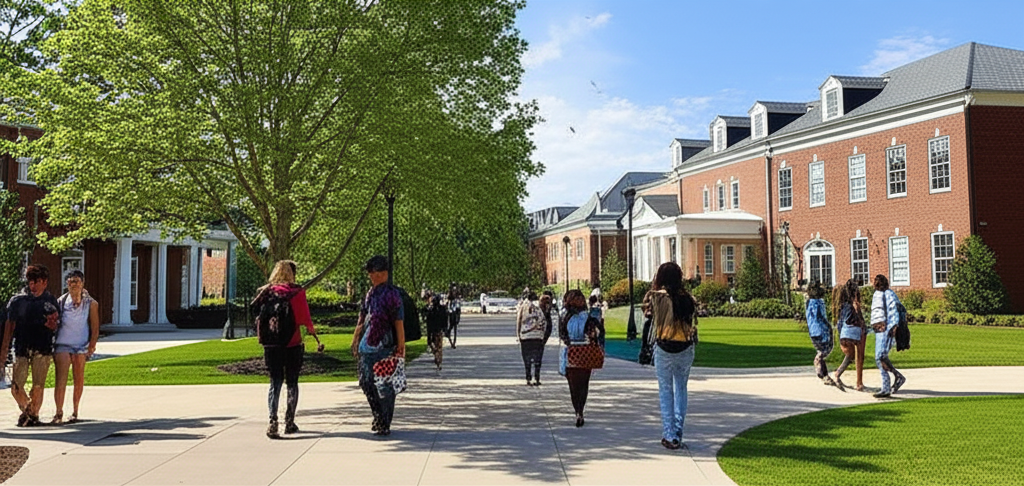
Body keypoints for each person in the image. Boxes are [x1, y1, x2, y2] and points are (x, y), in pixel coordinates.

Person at [252, 260, 323, 439]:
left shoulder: (265, 292)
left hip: (271, 345)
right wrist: (315, 337)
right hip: (292, 343)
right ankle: (289, 421)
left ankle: (272, 420)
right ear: (293, 273)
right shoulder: (296, 293)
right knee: (292, 383)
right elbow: (305, 319)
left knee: (274, 383)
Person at [642, 262, 699, 450]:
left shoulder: (657, 297)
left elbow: (648, 314)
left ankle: (669, 433)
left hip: (664, 347)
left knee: (665, 390)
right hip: (685, 347)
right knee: (681, 388)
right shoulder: (688, 299)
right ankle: (678, 430)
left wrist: (654, 286)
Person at [351, 256, 406, 436]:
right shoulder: (370, 293)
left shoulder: (392, 294)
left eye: (375, 273)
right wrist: (356, 337)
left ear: (384, 273)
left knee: (385, 385)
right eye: (370, 273)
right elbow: (362, 317)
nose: (372, 276)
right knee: (366, 382)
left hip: (385, 345)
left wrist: (401, 345)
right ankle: (378, 415)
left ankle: (384, 420)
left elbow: (398, 322)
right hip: (367, 346)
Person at [1, 264, 60, 427]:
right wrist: (4, 352)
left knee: (38, 386)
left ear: (45, 282)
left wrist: (52, 324)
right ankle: (29, 411)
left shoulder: (50, 301)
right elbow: (9, 327)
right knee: (16, 387)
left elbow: (56, 324)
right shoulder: (18, 301)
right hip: (21, 348)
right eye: (31, 282)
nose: (33, 286)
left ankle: (33, 416)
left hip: (43, 348)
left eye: (37, 282)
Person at [51, 270, 100, 424]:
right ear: (67, 284)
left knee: (78, 378)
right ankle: (58, 412)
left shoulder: (91, 304)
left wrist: (92, 344)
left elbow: (95, 326)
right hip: (63, 344)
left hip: (81, 344)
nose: (74, 285)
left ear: (82, 283)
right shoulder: (60, 302)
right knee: (61, 379)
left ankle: (75, 411)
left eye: (77, 281)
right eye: (71, 282)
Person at [559, 289, 603, 427]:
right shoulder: (589, 317)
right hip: (586, 353)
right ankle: (581, 411)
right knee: (584, 384)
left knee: (573, 386)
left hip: (572, 353)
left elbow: (562, 335)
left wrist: (569, 341)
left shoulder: (565, 317)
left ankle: (576, 410)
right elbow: (598, 332)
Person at [870, 275, 906, 398]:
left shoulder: (888, 294)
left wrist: (893, 327)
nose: (874, 283)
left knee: (880, 356)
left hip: (886, 329)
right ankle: (895, 379)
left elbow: (894, 310)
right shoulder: (876, 294)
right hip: (878, 329)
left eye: (876, 281)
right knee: (879, 358)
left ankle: (890, 384)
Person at [833, 279, 867, 392]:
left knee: (850, 355)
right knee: (859, 356)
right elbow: (860, 319)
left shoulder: (843, 306)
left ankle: (838, 373)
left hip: (844, 333)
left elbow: (840, 322)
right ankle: (859, 382)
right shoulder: (853, 305)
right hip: (854, 331)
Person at [806, 282, 837, 387]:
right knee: (825, 349)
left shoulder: (809, 302)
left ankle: (825, 374)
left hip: (813, 331)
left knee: (822, 349)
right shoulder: (818, 302)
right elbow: (819, 315)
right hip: (821, 330)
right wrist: (828, 325)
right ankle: (819, 365)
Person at [516, 291, 549, 386]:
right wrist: (542, 334)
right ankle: (537, 378)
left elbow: (519, 320)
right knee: (538, 358)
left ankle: (528, 378)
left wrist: (518, 334)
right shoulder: (539, 307)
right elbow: (544, 321)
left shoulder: (523, 306)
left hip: (525, 336)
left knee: (527, 358)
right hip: (538, 336)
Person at [424, 294, 447, 371]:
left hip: (434, 330)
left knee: (435, 345)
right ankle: (438, 358)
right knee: (438, 346)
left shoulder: (432, 311)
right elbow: (445, 320)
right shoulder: (441, 310)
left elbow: (428, 322)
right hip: (437, 330)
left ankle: (437, 358)